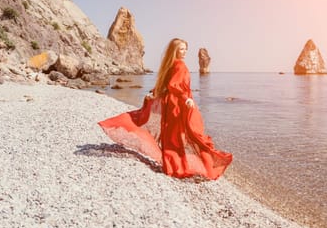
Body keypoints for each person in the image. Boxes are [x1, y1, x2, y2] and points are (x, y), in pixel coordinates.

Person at [98, 38, 232, 180]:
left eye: (186, 48)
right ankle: (195, 167)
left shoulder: (171, 65)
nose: (184, 51)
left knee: (175, 135)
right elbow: (173, 86)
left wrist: (155, 93)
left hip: (173, 104)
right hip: (179, 105)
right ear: (174, 50)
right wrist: (185, 98)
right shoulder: (179, 65)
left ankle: (174, 165)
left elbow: (165, 84)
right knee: (189, 135)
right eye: (181, 49)